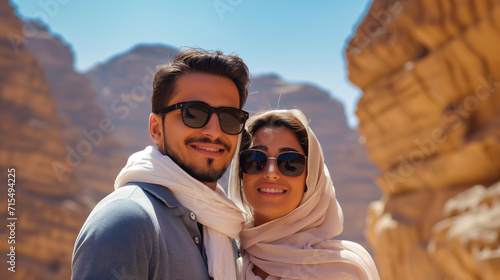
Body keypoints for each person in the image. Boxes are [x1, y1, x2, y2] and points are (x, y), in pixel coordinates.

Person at [72, 48, 250, 280]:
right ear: (157, 128)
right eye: (194, 113)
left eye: (228, 117)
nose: (214, 132)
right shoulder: (128, 220)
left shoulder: (224, 225)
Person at [229, 109, 380, 280]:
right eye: (256, 160)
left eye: (290, 163)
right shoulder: (220, 255)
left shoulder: (342, 271)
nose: (271, 173)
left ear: (311, 178)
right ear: (240, 173)